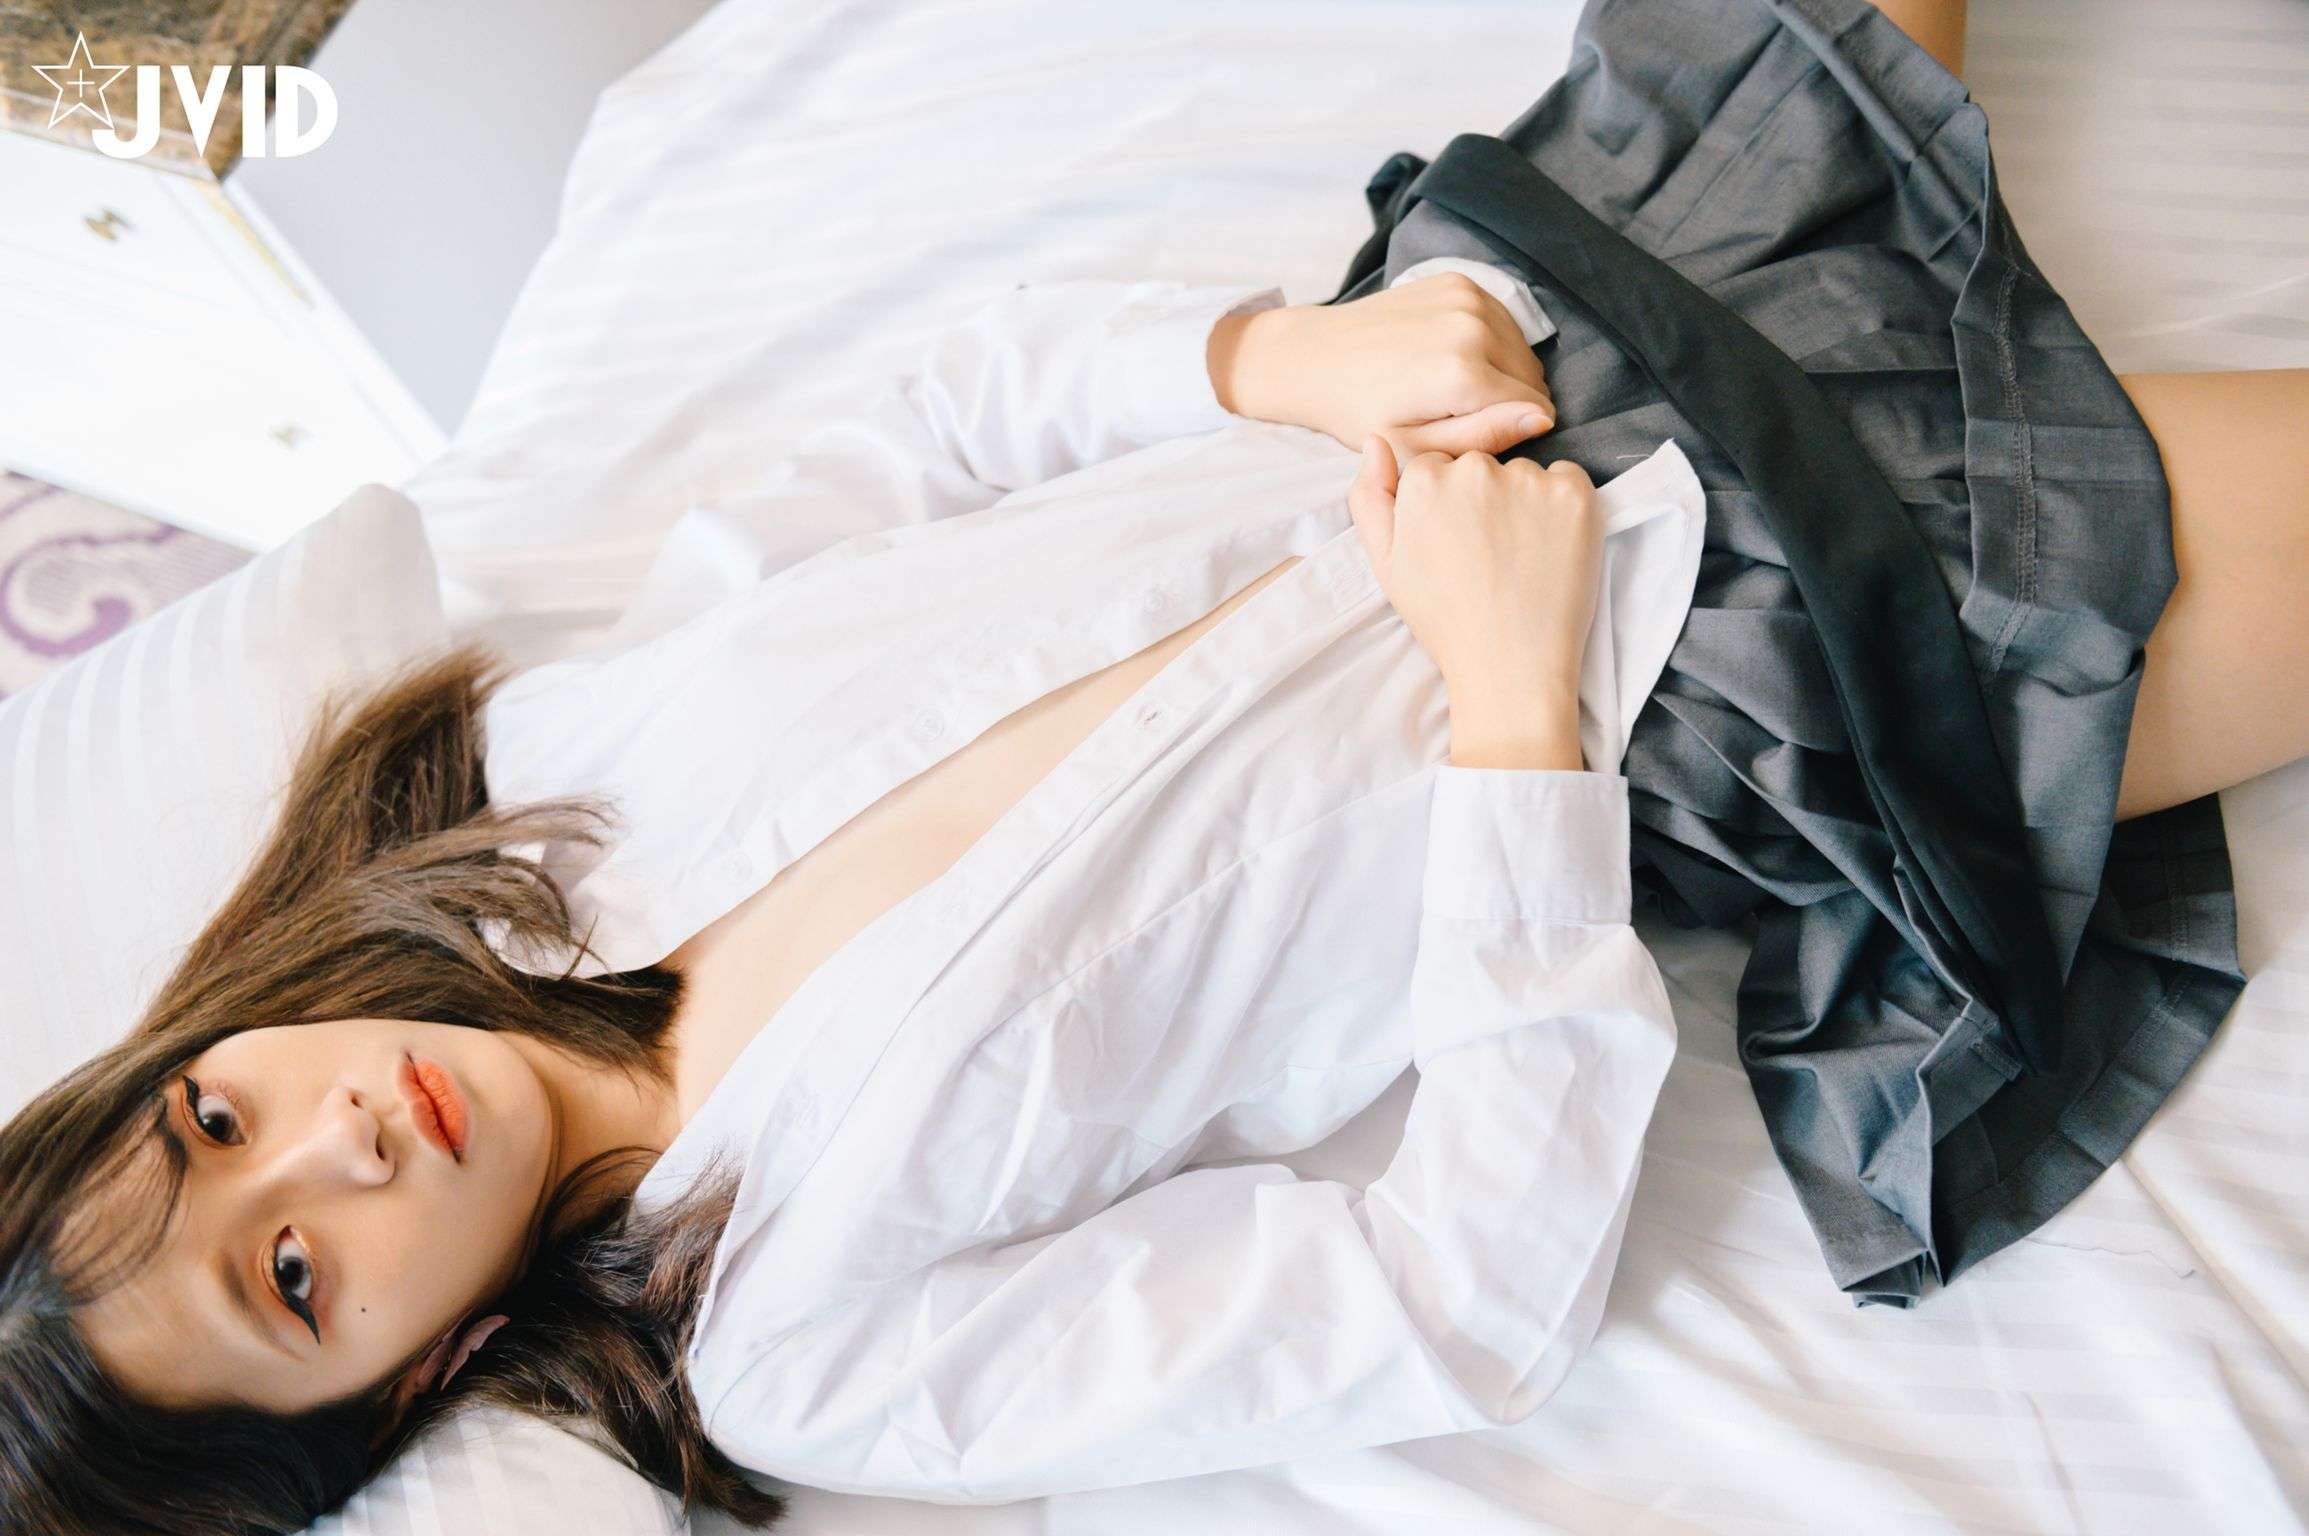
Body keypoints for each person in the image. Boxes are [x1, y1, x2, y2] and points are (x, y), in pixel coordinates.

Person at [3, 2, 2306, 1533]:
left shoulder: (543, 785)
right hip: (1731, 659)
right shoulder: (806, 1343)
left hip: (1543, 312)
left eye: (214, 1119)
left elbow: (932, 431)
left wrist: (1290, 362)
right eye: (292, 1276)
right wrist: (1514, 716)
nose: (333, 1147)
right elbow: (1458, 1294)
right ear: (411, 1387)